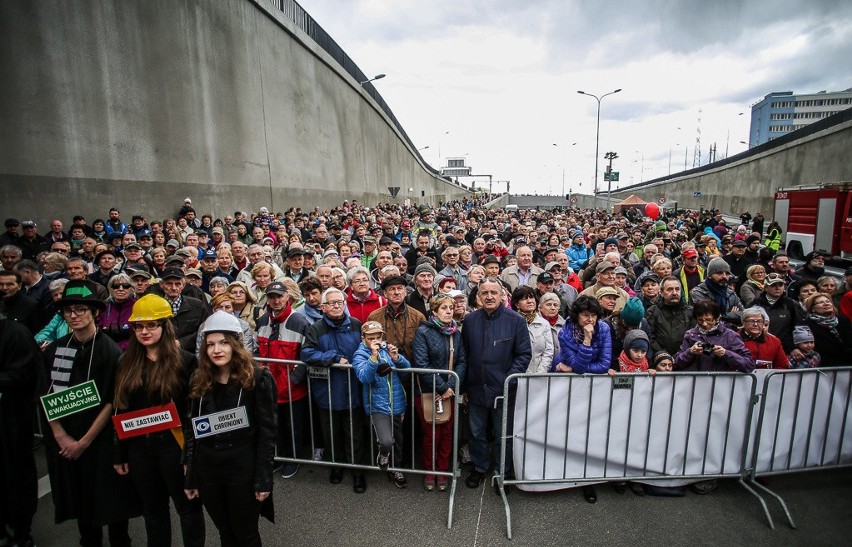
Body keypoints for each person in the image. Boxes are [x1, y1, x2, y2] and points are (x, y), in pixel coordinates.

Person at [41, 279, 140, 546]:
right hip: (67, 441)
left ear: (95, 312)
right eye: (68, 311)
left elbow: (112, 401)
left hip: (101, 442)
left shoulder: (109, 350)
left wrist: (84, 442)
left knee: (113, 503)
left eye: (80, 309)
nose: (73, 315)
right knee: (81, 503)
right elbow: (46, 396)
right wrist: (62, 438)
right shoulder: (55, 349)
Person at [112, 294, 205, 547]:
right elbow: (121, 409)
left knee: (188, 509)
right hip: (139, 450)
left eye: (151, 325)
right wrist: (120, 453)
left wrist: (190, 457)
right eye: (139, 326)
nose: (144, 331)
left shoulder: (185, 361)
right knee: (153, 512)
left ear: (165, 326)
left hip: (174, 447)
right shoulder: (125, 362)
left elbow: (193, 413)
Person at [183, 311, 275, 547]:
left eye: (224, 342)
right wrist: (191, 477)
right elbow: (192, 431)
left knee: (246, 534)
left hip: (242, 467)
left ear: (236, 344)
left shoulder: (257, 378)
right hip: (209, 469)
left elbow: (267, 432)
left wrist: (263, 479)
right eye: (211, 344)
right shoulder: (199, 379)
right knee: (225, 533)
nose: (217, 350)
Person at [462, 278, 531, 489]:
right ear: (479, 296)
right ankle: (480, 467)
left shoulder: (516, 320)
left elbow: (523, 354)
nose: (489, 296)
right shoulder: (470, 320)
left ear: (503, 295)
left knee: (504, 435)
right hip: (475, 388)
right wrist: (464, 386)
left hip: (503, 390)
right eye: (485, 293)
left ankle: (503, 471)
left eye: (494, 292)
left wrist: (507, 379)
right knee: (476, 432)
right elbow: (465, 354)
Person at [300, 288, 369, 493]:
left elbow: (366, 348)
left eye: (340, 302)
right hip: (328, 390)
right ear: (323, 307)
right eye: (331, 303)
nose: (337, 306)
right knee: (332, 433)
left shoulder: (356, 325)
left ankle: (357, 472)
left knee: (354, 434)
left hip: (353, 389)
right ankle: (337, 467)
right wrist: (333, 358)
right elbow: (306, 353)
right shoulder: (316, 328)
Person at [255, 281, 311, 479]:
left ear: (288, 296)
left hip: (291, 389)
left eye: (279, 296)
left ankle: (293, 459)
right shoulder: (262, 321)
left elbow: (306, 354)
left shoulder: (299, 321)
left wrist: (294, 379)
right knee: (273, 426)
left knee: (292, 427)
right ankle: (278, 457)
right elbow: (256, 349)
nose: (276, 300)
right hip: (268, 387)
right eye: (272, 297)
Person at [412, 293, 467, 491]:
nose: (448, 311)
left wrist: (450, 387)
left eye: (451, 308)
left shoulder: (456, 333)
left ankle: (442, 471)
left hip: (449, 393)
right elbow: (421, 364)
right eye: (444, 308)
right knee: (431, 434)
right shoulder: (423, 333)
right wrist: (442, 388)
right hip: (428, 393)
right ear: (434, 311)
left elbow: (461, 361)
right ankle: (430, 471)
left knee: (447, 434)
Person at [352, 321, 412, 489]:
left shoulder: (386, 350)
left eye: (379, 337)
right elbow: (364, 377)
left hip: (398, 402)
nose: (376, 340)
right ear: (363, 338)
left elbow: (407, 370)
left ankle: (396, 470)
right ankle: (384, 455)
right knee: (386, 441)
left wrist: (397, 358)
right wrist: (373, 357)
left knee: (398, 441)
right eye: (371, 338)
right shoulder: (360, 355)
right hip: (378, 406)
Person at [0, 312, 42, 547]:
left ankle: (21, 533)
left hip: (12, 423)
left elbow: (25, 374)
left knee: (16, 476)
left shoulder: (16, 334)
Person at [675, 301, 754, 373]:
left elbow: (748, 365)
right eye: (700, 320)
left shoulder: (730, 336)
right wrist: (690, 352)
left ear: (717, 318)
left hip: (721, 384)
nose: (704, 324)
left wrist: (726, 353)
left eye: (709, 320)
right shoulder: (690, 335)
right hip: (695, 384)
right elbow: (677, 363)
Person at [511, 286, 553, 373]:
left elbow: (548, 351)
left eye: (531, 297)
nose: (530, 301)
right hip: (517, 376)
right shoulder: (511, 323)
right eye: (524, 299)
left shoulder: (544, 324)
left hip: (539, 377)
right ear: (517, 304)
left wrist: (540, 373)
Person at [803, 293, 852, 367]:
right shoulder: (807, 325)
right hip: (825, 366)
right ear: (812, 308)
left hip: (848, 363)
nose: (826, 304)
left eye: (828, 301)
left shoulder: (843, 320)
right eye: (821, 302)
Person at [98, 274, 137, 351]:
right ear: (110, 289)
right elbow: (98, 332)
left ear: (131, 289)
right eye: (116, 286)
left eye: (125, 286)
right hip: (106, 351)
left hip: (131, 352)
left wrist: (117, 348)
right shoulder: (103, 308)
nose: (121, 289)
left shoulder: (138, 307)